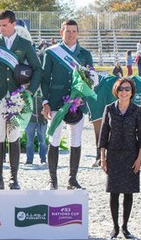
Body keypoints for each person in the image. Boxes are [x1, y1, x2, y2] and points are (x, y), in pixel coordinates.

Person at [0, 10, 42, 190]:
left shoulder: (24, 44)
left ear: (13, 24)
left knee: (14, 136)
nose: (1, 28)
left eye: (4, 25)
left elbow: (37, 69)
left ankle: (14, 178)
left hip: (17, 97)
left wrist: (30, 92)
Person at [41, 19, 95, 190]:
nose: (71, 34)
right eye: (67, 31)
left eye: (74, 31)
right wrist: (45, 102)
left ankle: (72, 179)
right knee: (54, 139)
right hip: (56, 101)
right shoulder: (51, 53)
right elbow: (44, 79)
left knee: (76, 139)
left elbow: (91, 78)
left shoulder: (85, 54)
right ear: (61, 33)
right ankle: (53, 179)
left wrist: (81, 97)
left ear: (78, 33)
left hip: (77, 103)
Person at [99, 78, 141, 239]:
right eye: (121, 89)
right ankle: (115, 227)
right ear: (116, 91)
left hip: (131, 155)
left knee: (128, 193)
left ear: (132, 92)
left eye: (127, 89)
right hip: (113, 155)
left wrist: (140, 158)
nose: (124, 92)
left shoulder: (137, 110)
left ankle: (125, 227)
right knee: (113, 192)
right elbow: (104, 134)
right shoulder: (109, 109)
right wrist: (102, 157)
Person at [24, 98, 47, 166]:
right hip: (29, 120)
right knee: (29, 141)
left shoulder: (43, 89)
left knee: (42, 140)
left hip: (42, 119)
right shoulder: (26, 90)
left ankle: (43, 159)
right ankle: (29, 160)